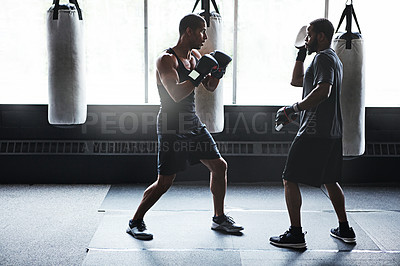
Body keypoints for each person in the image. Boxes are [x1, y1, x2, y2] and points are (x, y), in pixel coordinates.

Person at [126, 13, 243, 240]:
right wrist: (200, 72)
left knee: (219, 167)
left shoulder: (197, 56)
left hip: (192, 122)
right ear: (188, 31)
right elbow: (177, 94)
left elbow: (208, 86)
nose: (205, 37)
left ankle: (218, 218)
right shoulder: (166, 60)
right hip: (171, 126)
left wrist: (218, 73)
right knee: (165, 182)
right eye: (201, 31)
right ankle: (135, 221)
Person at [269, 18, 356, 249]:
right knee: (330, 180)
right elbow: (296, 81)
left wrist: (294, 109)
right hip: (331, 132)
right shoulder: (330, 59)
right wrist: (300, 54)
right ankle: (345, 228)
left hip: (313, 131)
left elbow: (323, 91)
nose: (306, 39)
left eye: (309, 35)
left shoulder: (323, 57)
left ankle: (296, 234)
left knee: (289, 179)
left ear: (320, 36)